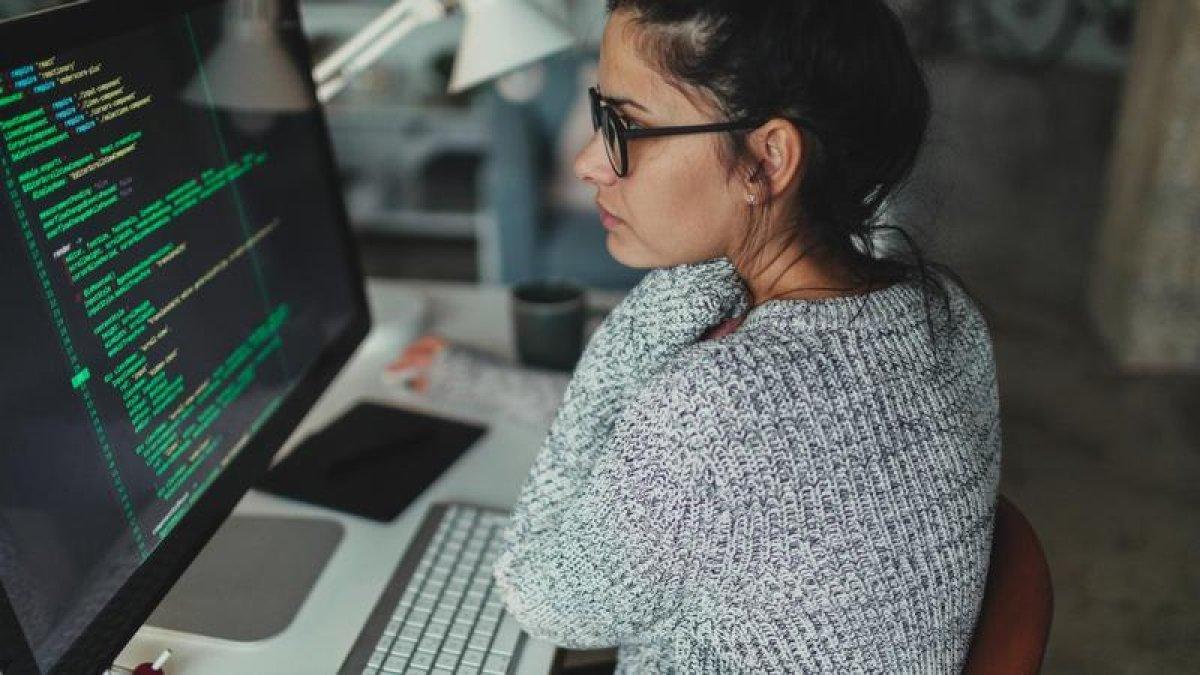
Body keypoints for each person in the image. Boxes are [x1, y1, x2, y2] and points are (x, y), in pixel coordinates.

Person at [395, 0, 1001, 671]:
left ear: (767, 158)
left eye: (624, 125)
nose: (587, 161)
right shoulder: (944, 315)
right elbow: (674, 456)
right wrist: (479, 381)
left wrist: (658, 299)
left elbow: (541, 593)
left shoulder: (723, 397)